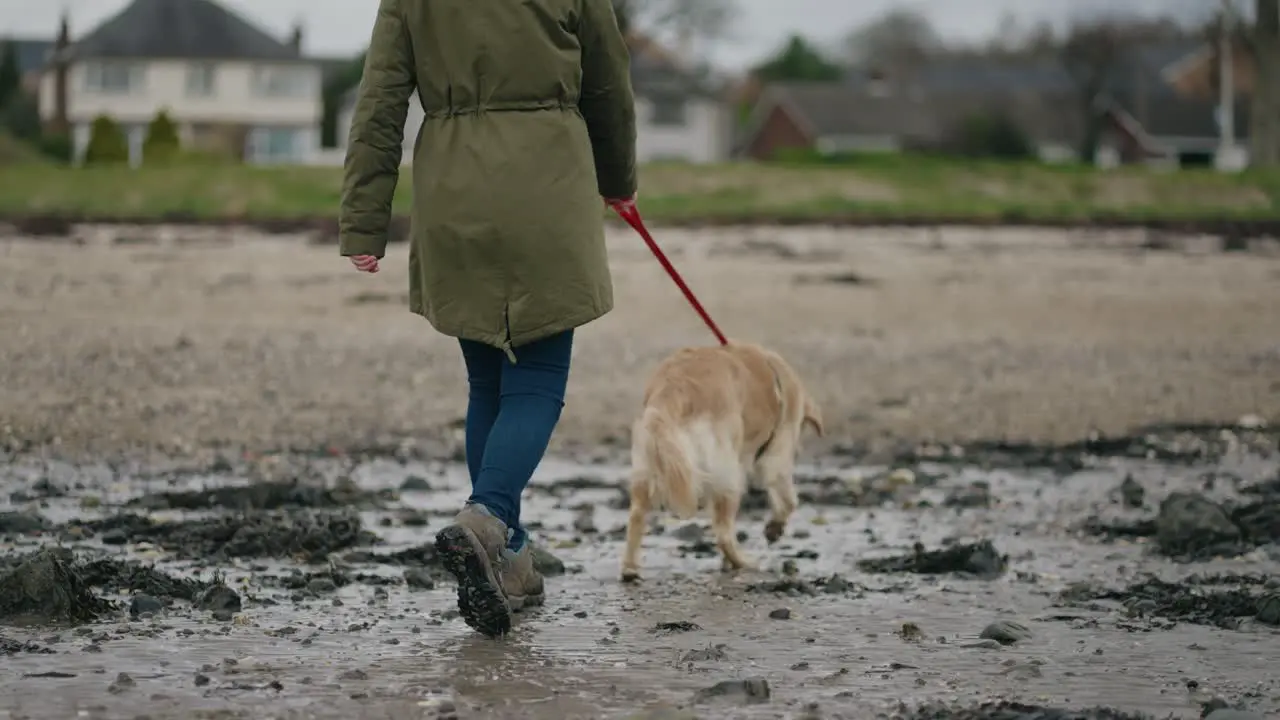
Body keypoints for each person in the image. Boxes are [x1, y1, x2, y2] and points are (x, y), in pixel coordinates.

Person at [338, 0, 637, 638]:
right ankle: (489, 516)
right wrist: (617, 179)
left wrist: (365, 220)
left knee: (489, 385)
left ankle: (510, 558)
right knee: (536, 383)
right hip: (547, 188)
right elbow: (608, 82)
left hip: (454, 195)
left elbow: (380, 105)